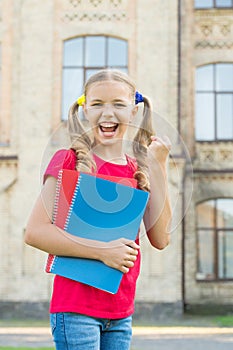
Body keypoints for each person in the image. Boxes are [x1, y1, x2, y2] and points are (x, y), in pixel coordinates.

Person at [25, 69, 172, 350]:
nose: (108, 113)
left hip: (120, 312)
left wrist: (159, 166)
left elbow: (161, 239)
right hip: (75, 310)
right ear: (85, 110)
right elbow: (35, 233)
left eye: (118, 104)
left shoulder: (138, 168)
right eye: (97, 104)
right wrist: (104, 252)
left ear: (134, 110)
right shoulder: (68, 160)